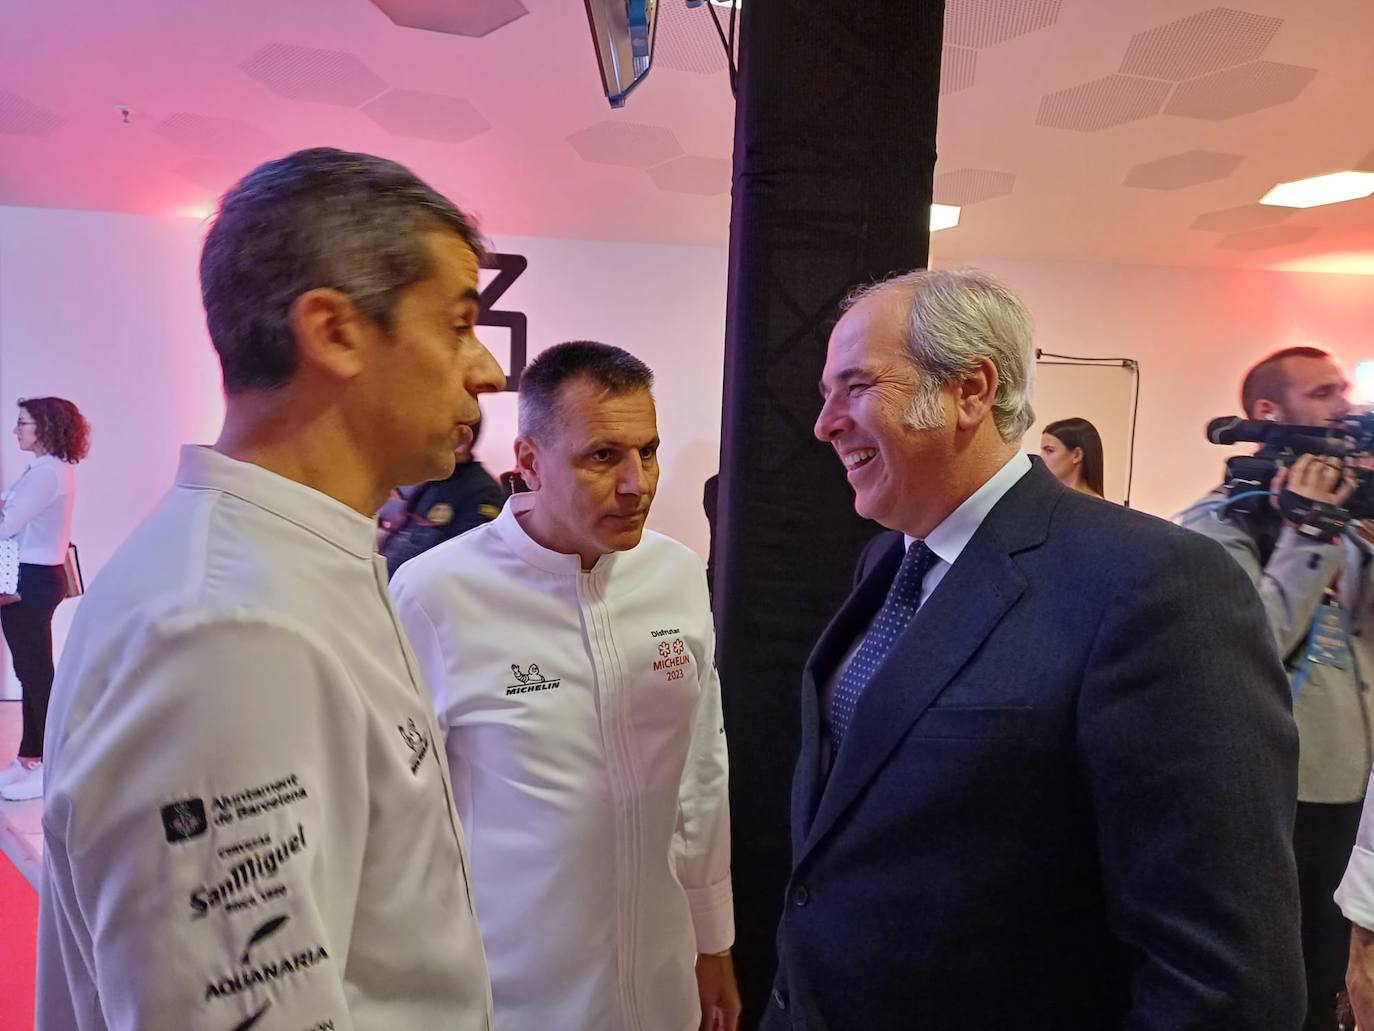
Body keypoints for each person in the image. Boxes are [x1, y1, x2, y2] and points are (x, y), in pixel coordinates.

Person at [37, 148, 505, 1031]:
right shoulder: (224, 628)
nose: (485, 371)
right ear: (332, 330)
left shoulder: (302, 565)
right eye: (456, 325)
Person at [763, 268, 1304, 1030]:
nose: (824, 423)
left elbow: (1221, 974)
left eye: (854, 386)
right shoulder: (886, 562)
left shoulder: (1155, 583)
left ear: (971, 390)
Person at [391, 341, 739, 1031]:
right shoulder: (437, 595)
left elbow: (702, 766)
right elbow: (404, 825)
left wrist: (713, 937)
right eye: (603, 456)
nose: (637, 483)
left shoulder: (673, 574)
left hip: (662, 982)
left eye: (649, 450)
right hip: (510, 997)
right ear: (528, 462)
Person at [1181, 346, 1374, 1031]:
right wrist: (1306, 534)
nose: (1345, 406)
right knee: (1263, 980)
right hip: (1264, 792)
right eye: (1324, 393)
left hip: (1346, 792)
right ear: (1268, 411)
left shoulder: (1350, 522)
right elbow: (1243, 649)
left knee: (1329, 977)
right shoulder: (1215, 524)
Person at [0, 397, 89, 801]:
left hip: (31, 580)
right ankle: (29, 757)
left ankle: (54, 765)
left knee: (36, 674)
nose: (16, 430)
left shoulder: (47, 474)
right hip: (33, 577)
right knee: (30, 671)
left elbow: (7, 524)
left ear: (47, 428)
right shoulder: (45, 470)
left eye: (23, 423)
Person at [377, 417, 504, 578]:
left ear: (463, 441)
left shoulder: (483, 492)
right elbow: (404, 535)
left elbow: (466, 563)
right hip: (391, 585)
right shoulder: (435, 480)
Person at [1040, 415, 1104, 498]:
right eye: (1042, 450)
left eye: (1049, 450)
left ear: (1077, 455)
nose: (1041, 457)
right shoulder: (1045, 498)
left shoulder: (1097, 506)